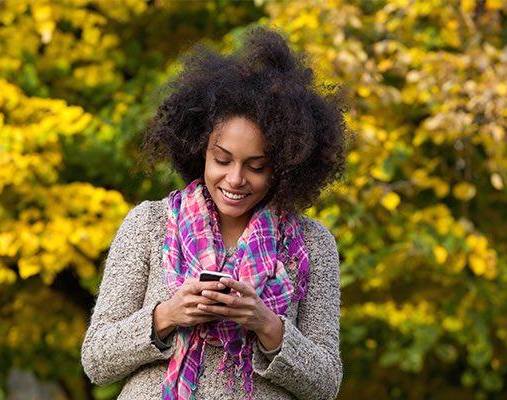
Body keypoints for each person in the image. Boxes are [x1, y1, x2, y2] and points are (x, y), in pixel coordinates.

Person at [81, 25, 349, 400]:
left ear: (285, 165)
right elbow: (96, 360)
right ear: (199, 151)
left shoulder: (311, 243)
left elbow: (325, 384)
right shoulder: (149, 223)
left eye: (256, 167)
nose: (235, 179)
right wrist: (168, 315)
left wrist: (267, 324)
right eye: (222, 160)